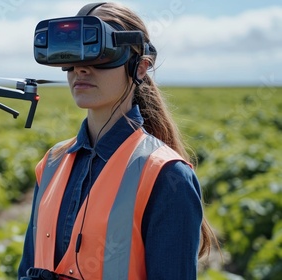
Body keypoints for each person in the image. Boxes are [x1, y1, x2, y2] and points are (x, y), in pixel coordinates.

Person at [18, 2, 217, 279]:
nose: (81, 68)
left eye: (100, 54)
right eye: (73, 54)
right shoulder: (52, 163)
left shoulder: (168, 177)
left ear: (140, 67)